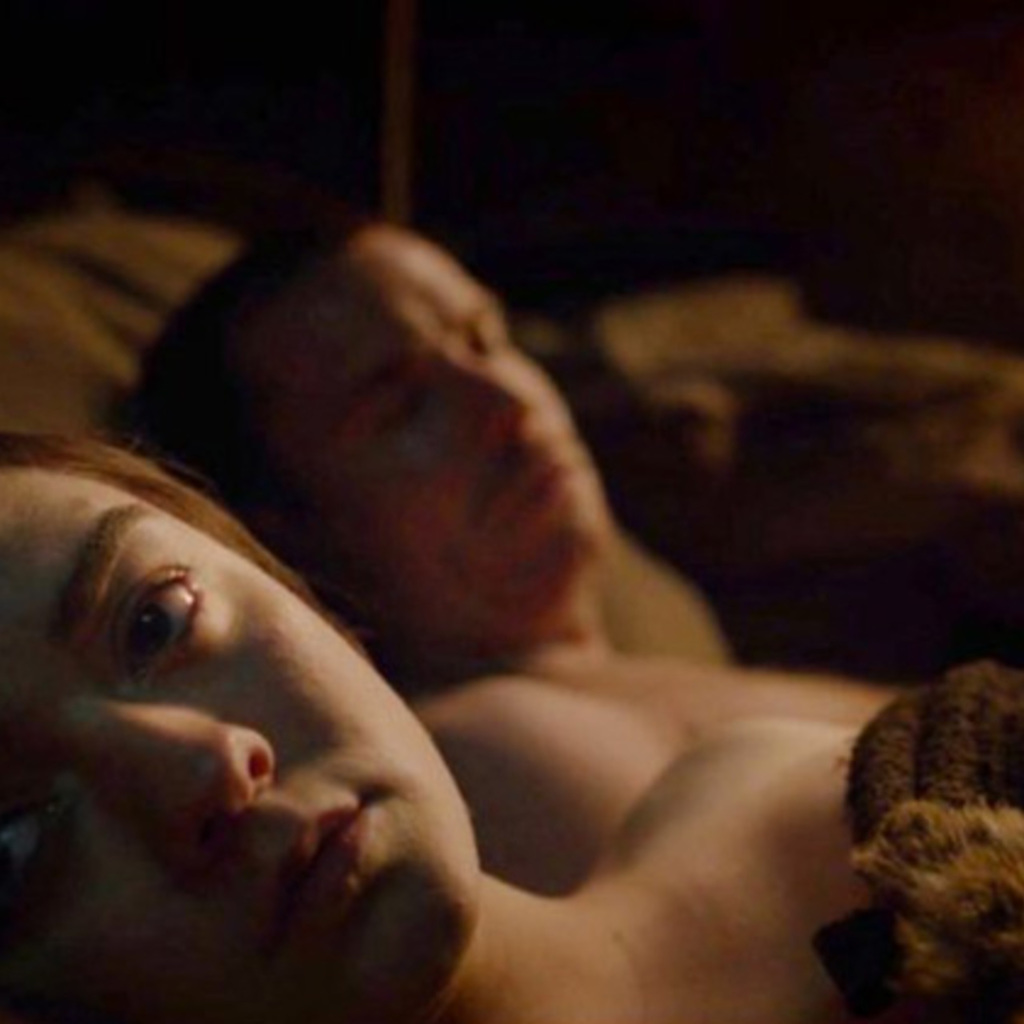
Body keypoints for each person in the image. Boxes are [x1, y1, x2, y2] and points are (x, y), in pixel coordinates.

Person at [0, 431, 928, 1024]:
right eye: (9, 844)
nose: (206, 769)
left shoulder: (781, 780)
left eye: (155, 622)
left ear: (284, 582)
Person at [137, 220, 731, 692]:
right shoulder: (484, 755)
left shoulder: (681, 637)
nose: (507, 401)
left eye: (485, 338)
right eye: (401, 405)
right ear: (296, 537)